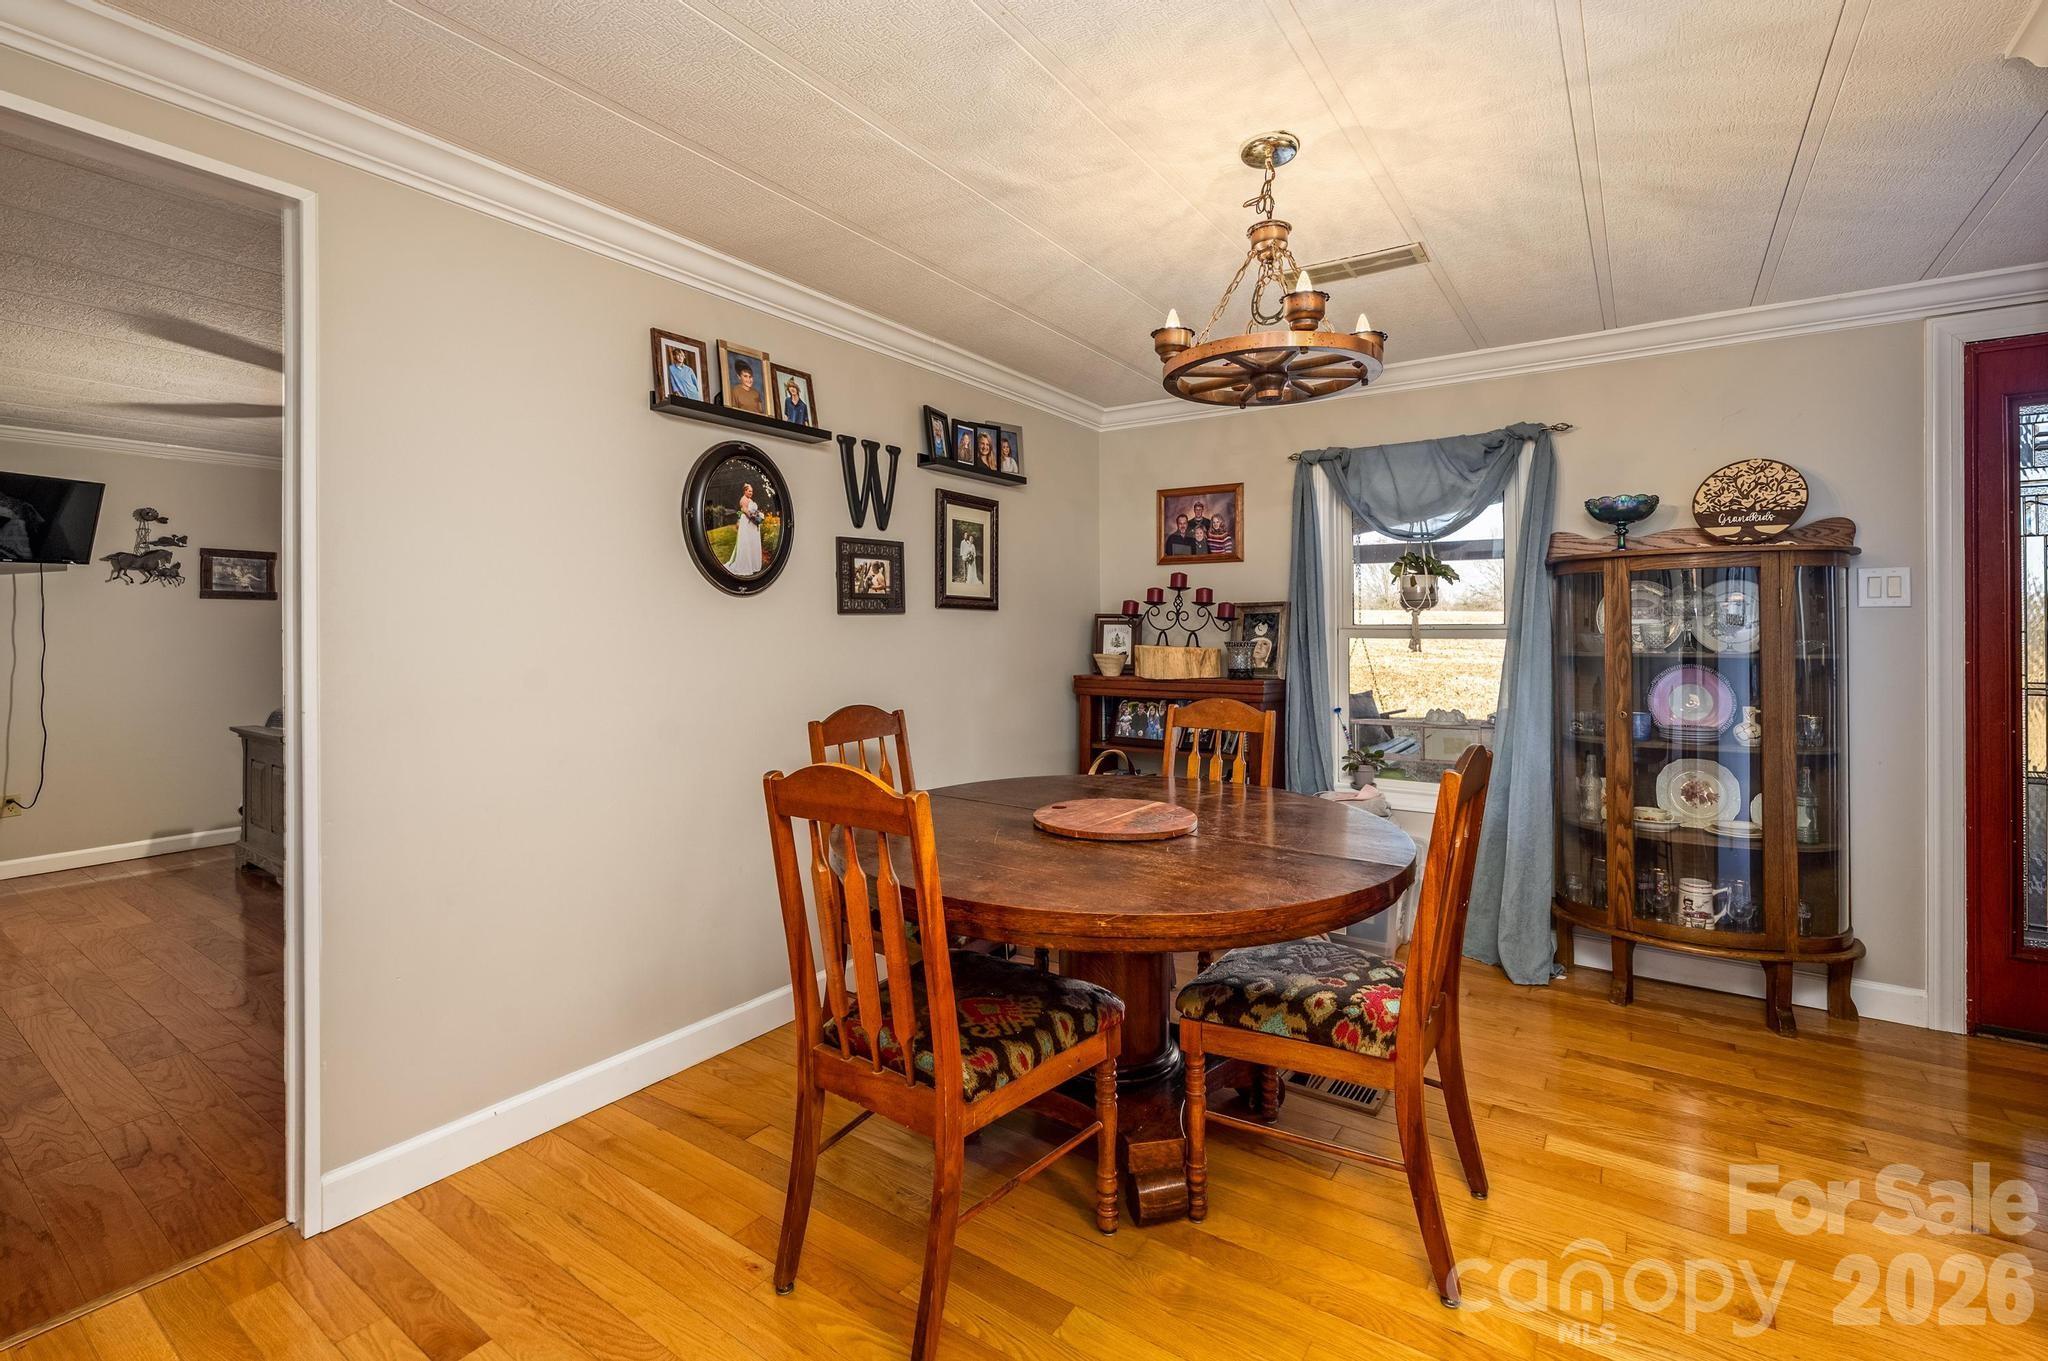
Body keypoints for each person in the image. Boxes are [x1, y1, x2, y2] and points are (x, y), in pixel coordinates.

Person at [725, 482, 765, 575]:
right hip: (747, 523)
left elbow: (753, 511)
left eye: (752, 491)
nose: (751, 493)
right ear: (745, 491)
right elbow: (747, 513)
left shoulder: (749, 499)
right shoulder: (743, 500)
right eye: (749, 491)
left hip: (751, 523)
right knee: (746, 542)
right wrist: (757, 519)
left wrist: (758, 514)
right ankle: (745, 565)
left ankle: (753, 564)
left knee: (752, 542)